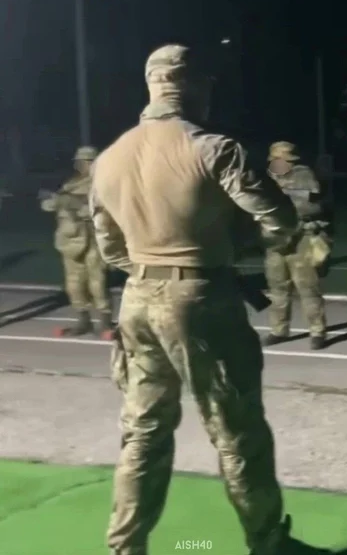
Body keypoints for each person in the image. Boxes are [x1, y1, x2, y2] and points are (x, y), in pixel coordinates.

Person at [90, 45, 332, 555]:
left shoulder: (110, 158)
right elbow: (278, 216)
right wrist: (239, 241)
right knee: (236, 431)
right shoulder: (212, 147)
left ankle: (125, 546)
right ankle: (267, 540)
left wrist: (151, 267)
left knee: (143, 433)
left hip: (137, 299)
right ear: (193, 86)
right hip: (200, 298)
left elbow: (110, 248)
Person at [263, 142, 332, 350]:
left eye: (282, 159)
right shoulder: (268, 177)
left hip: (301, 237)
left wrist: (281, 199)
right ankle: (279, 330)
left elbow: (311, 206)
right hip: (276, 238)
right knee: (278, 287)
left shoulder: (303, 174)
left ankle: (317, 331)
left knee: (307, 287)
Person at [40, 146, 113, 338]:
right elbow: (50, 205)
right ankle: (83, 320)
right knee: (74, 284)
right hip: (71, 242)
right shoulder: (70, 184)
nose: (84, 165)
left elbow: (99, 210)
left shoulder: (102, 185)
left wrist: (73, 205)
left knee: (97, 283)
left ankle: (105, 321)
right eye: (81, 162)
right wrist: (54, 201)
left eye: (88, 161)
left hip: (93, 241)